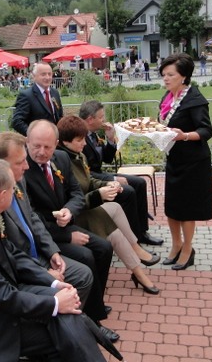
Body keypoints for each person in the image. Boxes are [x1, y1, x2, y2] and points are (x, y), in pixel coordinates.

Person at [0, 159, 110, 362]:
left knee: (68, 317)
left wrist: (53, 283)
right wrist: (55, 303)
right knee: (64, 333)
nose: (16, 192)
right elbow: (2, 295)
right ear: (2, 195)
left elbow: (11, 252)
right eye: (13, 188)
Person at [23, 119, 117, 340]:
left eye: (47, 147)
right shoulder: (23, 169)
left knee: (104, 248)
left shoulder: (61, 158)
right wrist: (67, 235)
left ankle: (94, 300)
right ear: (27, 142)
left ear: (56, 144)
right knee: (86, 256)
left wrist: (69, 211)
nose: (41, 152)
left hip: (66, 222)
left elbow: (75, 193)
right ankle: (93, 320)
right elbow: (31, 217)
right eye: (36, 146)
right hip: (46, 235)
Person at [0, 131, 95, 313]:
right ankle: (61, 322)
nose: (27, 166)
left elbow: (33, 219)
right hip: (20, 268)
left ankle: (74, 320)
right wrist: (44, 275)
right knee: (75, 279)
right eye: (20, 162)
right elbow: (7, 253)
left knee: (84, 274)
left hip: (38, 255)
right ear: (0, 165)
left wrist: (52, 252)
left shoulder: (17, 181)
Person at [57, 115, 160, 294]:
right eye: (79, 140)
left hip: (84, 209)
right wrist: (99, 194)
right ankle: (138, 271)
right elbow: (73, 200)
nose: (84, 143)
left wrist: (107, 184)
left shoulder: (78, 155)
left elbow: (89, 181)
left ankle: (135, 249)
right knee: (112, 230)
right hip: (73, 216)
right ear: (65, 141)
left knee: (116, 207)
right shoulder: (62, 162)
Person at [80, 100, 164, 246]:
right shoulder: (79, 136)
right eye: (101, 117)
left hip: (99, 174)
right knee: (128, 191)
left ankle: (142, 232)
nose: (104, 120)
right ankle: (133, 239)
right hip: (90, 180)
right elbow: (85, 173)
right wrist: (113, 179)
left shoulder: (93, 134)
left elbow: (107, 159)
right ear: (90, 119)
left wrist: (110, 139)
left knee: (140, 183)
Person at [158, 53, 212, 270]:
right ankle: (176, 244)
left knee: (187, 209)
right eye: (164, 74)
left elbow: (206, 130)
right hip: (174, 159)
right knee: (172, 207)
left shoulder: (194, 99)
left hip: (193, 162)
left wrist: (185, 136)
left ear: (183, 76)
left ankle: (188, 249)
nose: (165, 78)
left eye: (170, 74)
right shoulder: (168, 97)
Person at [11, 61, 64, 135]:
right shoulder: (26, 96)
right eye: (43, 74)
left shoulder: (55, 93)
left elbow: (60, 116)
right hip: (37, 140)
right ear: (34, 76)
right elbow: (17, 121)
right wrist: (33, 135)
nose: (47, 77)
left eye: (49, 74)